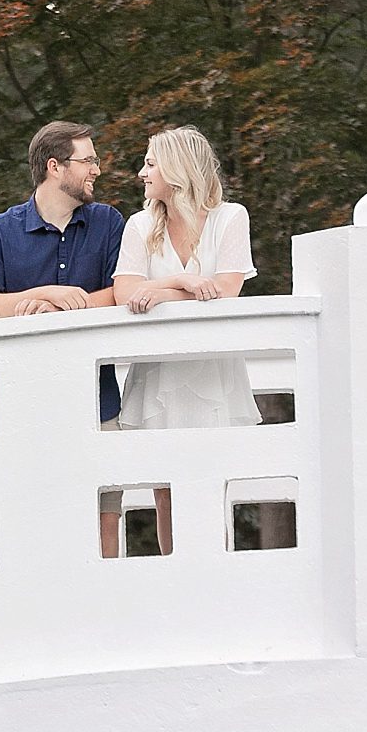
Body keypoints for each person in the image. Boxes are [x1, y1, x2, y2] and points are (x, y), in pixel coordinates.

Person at [0, 120, 127, 555]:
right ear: (54, 167)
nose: (97, 168)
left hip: (96, 399)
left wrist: (56, 309)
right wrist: (42, 294)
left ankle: (107, 614)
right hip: (17, 403)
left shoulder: (107, 222)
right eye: (88, 160)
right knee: (26, 524)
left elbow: (120, 293)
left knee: (103, 521)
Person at [111, 126, 262, 555]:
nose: (142, 173)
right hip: (158, 370)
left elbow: (225, 289)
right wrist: (179, 280)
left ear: (176, 170)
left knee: (216, 480)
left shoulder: (230, 217)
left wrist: (158, 292)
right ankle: (175, 580)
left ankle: (217, 579)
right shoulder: (139, 225)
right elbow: (127, 295)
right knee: (165, 489)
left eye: (151, 163)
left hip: (213, 370)